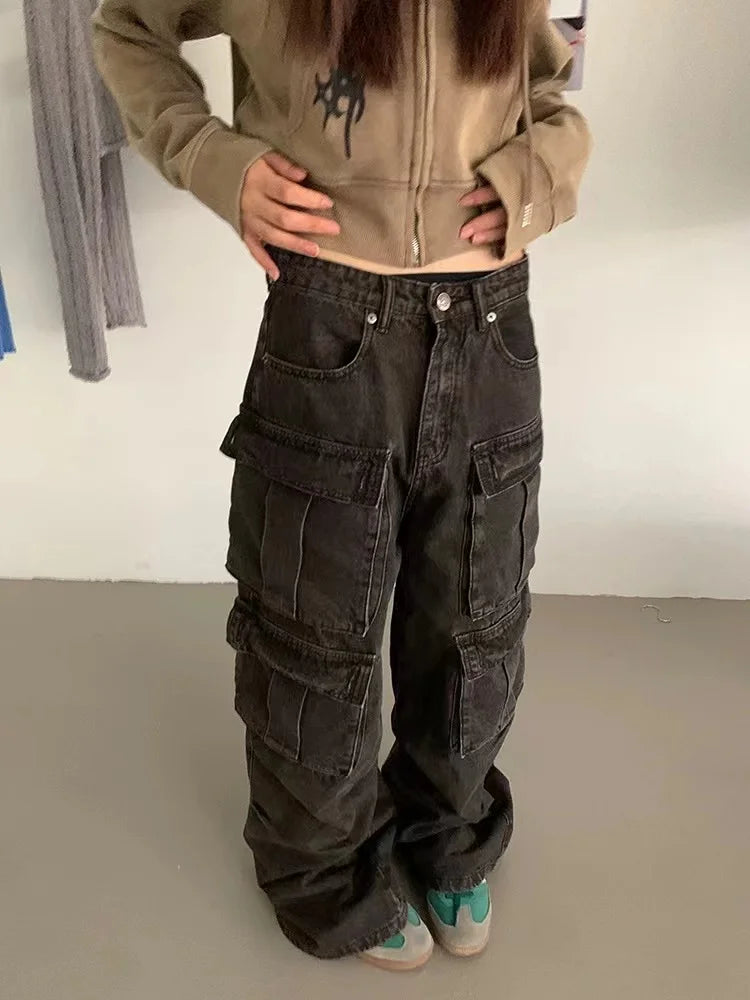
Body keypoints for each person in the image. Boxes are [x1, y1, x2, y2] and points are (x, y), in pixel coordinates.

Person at [92, 0, 591, 972]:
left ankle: (449, 833)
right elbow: (126, 29)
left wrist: (538, 178)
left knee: (476, 623)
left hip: (491, 321)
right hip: (330, 323)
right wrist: (216, 162)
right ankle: (321, 869)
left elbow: (550, 94)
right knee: (312, 632)